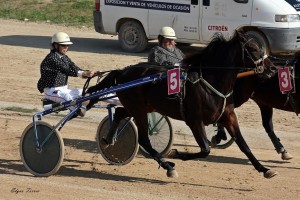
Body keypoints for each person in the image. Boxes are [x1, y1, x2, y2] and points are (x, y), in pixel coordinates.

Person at [102, 26, 185, 147]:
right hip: (157, 86)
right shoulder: (156, 51)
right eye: (167, 40)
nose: (170, 42)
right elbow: (157, 67)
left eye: (172, 40)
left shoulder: (178, 52)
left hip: (177, 83)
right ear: (160, 40)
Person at [37, 32, 94, 117]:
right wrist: (83, 73)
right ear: (56, 46)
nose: (66, 48)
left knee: (84, 92)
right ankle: (78, 110)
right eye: (64, 46)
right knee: (66, 96)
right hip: (51, 91)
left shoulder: (64, 58)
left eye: (67, 46)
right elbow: (66, 70)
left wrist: (87, 73)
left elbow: (75, 68)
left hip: (63, 89)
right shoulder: (51, 58)